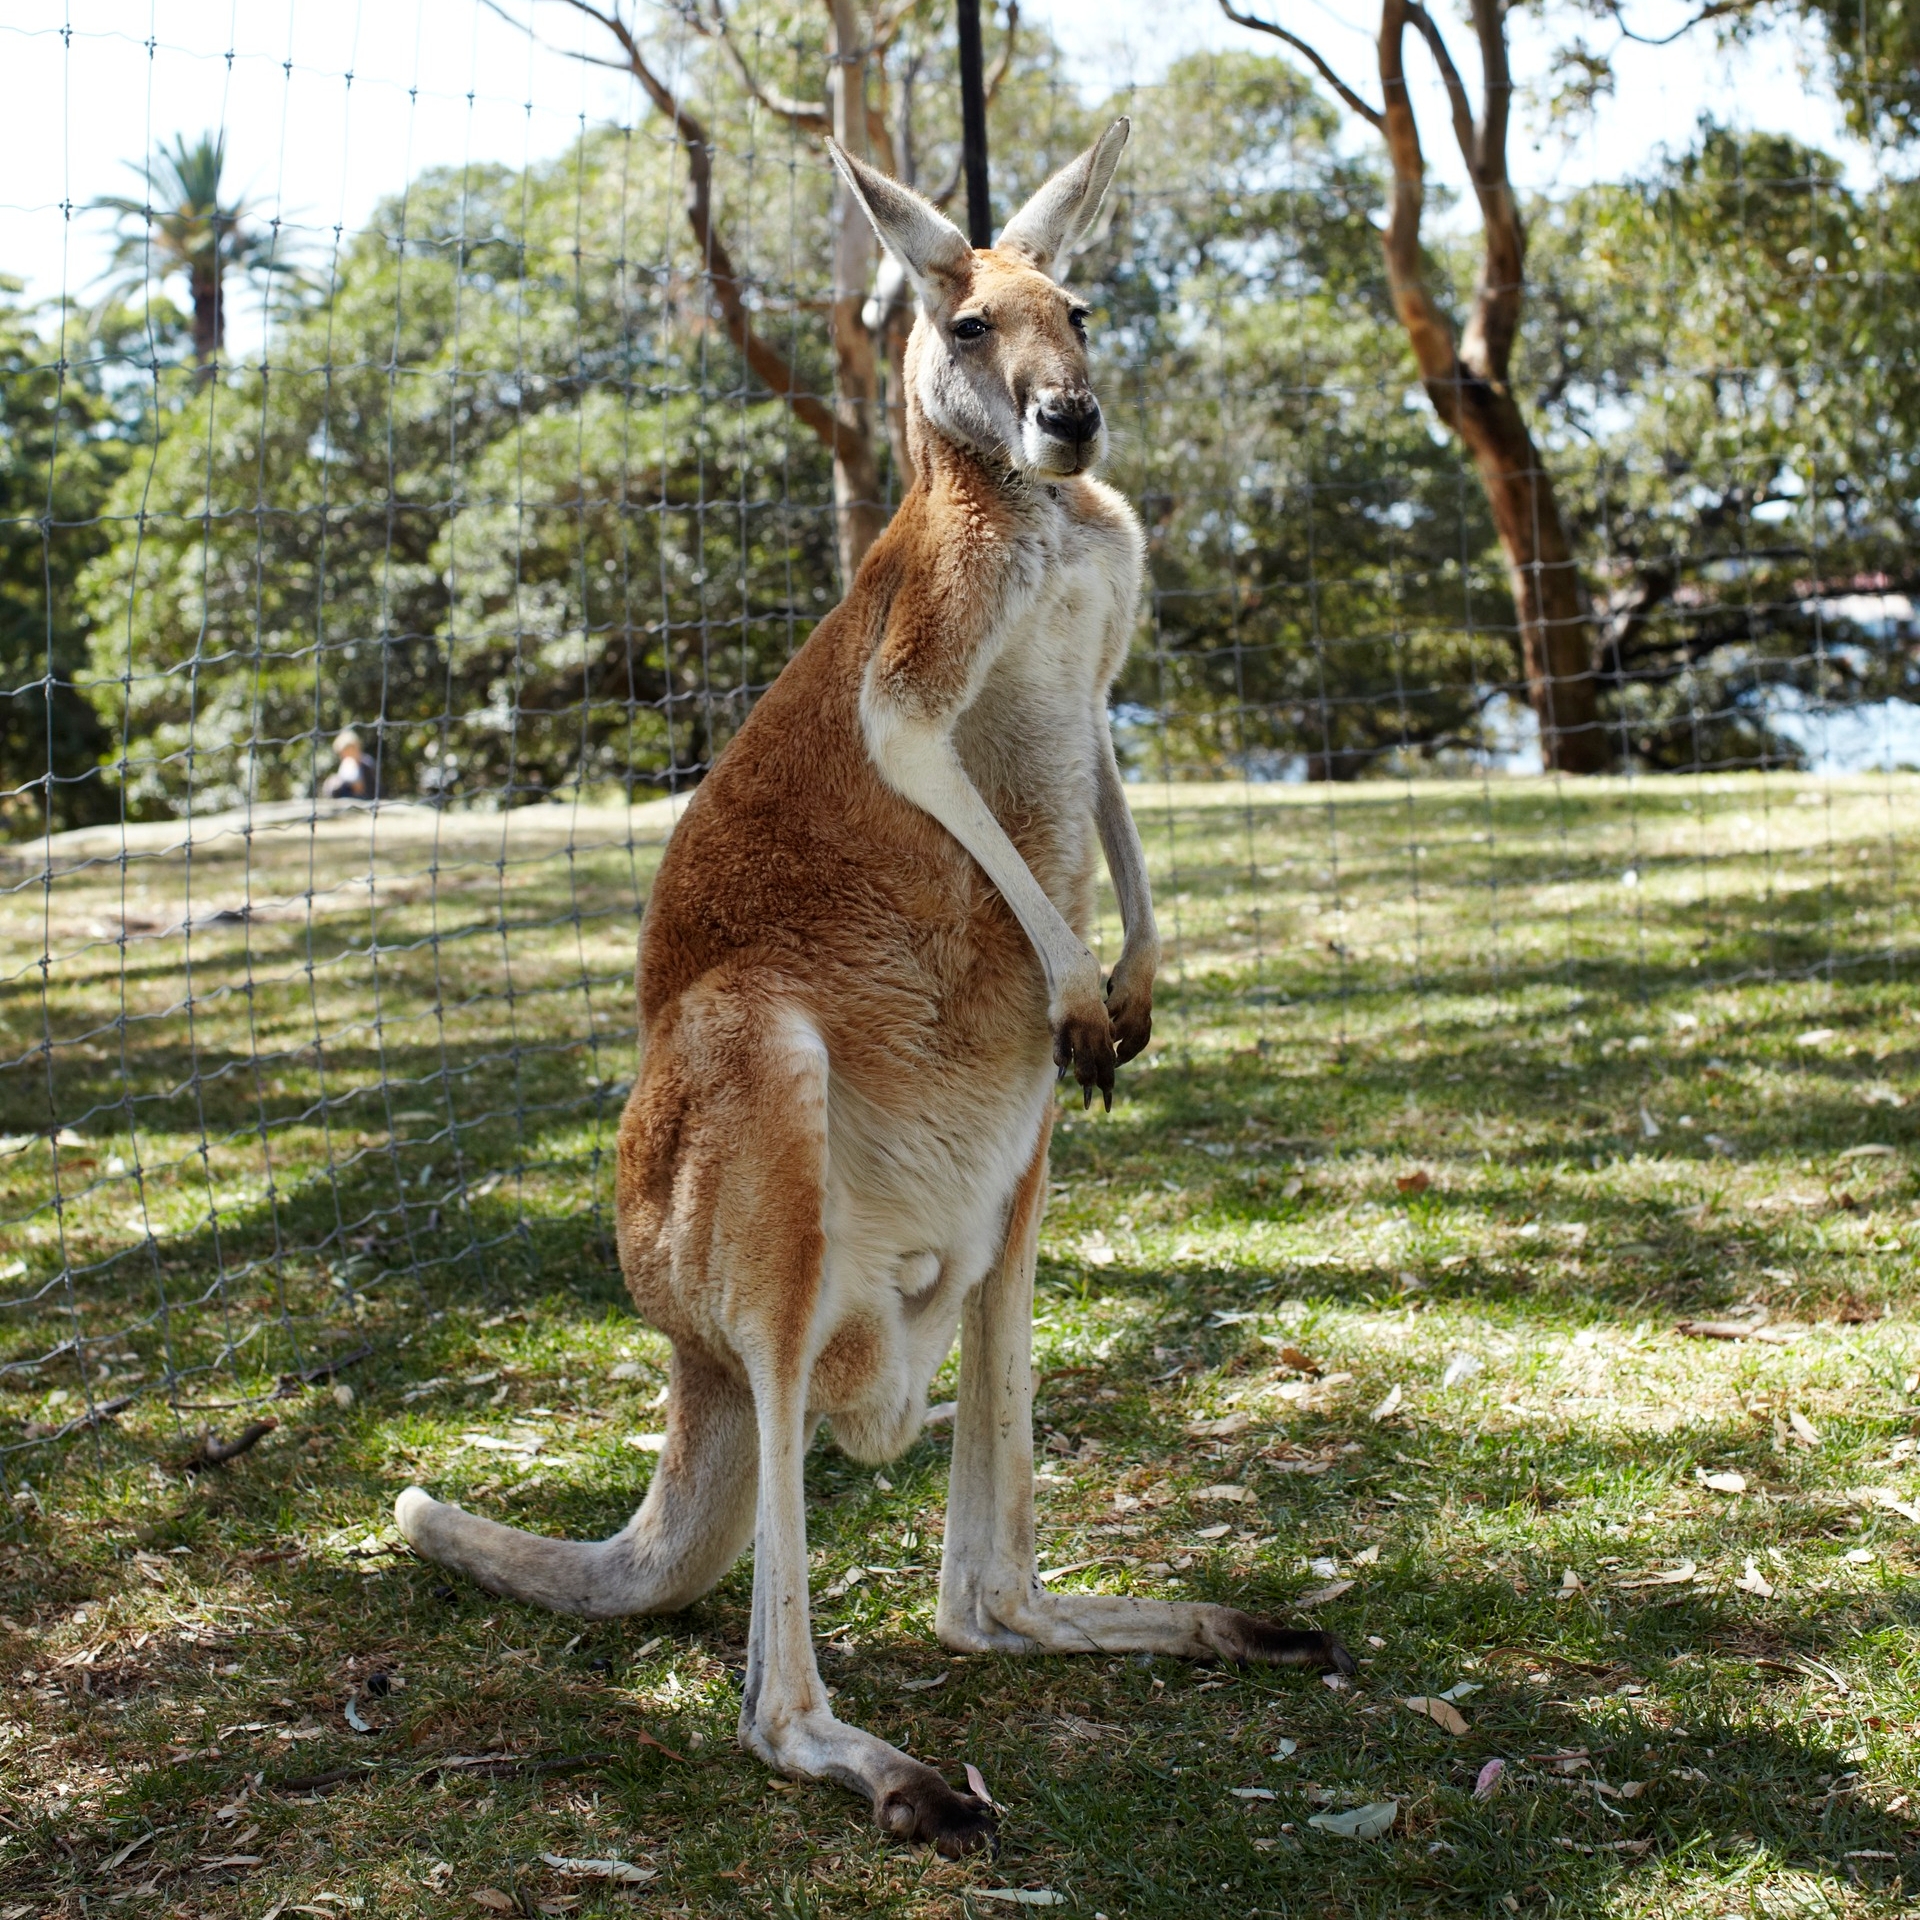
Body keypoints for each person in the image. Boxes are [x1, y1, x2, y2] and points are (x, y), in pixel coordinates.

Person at [319, 728, 375, 801]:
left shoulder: (367, 763)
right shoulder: (348, 765)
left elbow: (360, 789)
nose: (342, 756)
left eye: (343, 752)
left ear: (353, 748)